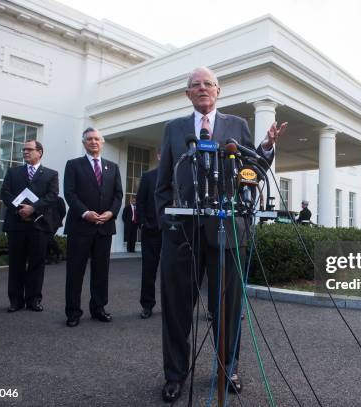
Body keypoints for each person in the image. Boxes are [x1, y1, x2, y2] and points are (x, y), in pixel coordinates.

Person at [155, 67, 287, 402]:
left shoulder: (237, 126)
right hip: (181, 232)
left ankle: (229, 368)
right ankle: (175, 375)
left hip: (227, 230)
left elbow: (252, 168)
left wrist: (267, 146)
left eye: (208, 84)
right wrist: (165, 222)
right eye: (195, 85)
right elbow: (163, 185)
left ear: (219, 90)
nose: (202, 89)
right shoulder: (173, 129)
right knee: (176, 308)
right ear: (187, 94)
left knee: (227, 306)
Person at [63, 127, 123, 327]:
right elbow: (70, 194)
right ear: (84, 143)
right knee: (75, 271)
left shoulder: (112, 167)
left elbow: (118, 195)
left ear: (102, 142)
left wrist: (111, 213)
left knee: (101, 272)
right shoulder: (73, 165)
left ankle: (98, 308)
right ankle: (73, 312)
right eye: (89, 139)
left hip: (104, 227)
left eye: (97, 139)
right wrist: (85, 213)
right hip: (80, 226)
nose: (93, 142)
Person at [0, 140, 59, 312]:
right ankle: (15, 300)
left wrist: (33, 208)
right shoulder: (13, 172)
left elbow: (52, 196)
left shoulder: (51, 174)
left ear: (40, 152)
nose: (25, 152)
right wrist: (19, 209)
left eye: (29, 149)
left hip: (39, 225)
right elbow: (5, 193)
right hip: (16, 224)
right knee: (16, 263)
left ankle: (34, 300)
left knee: (37, 263)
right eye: (23, 150)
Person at [135, 154, 162, 319]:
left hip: (173, 233)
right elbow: (140, 202)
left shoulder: (180, 175)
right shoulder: (148, 176)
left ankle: (172, 307)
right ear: (159, 155)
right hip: (150, 231)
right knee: (148, 271)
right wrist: (144, 223)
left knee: (172, 273)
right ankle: (147, 305)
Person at [46, 197, 66, 264]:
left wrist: (58, 220)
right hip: (44, 222)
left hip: (55, 222)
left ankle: (59, 252)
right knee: (45, 239)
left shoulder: (59, 199)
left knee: (49, 238)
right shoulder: (43, 199)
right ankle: (48, 257)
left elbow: (63, 211)